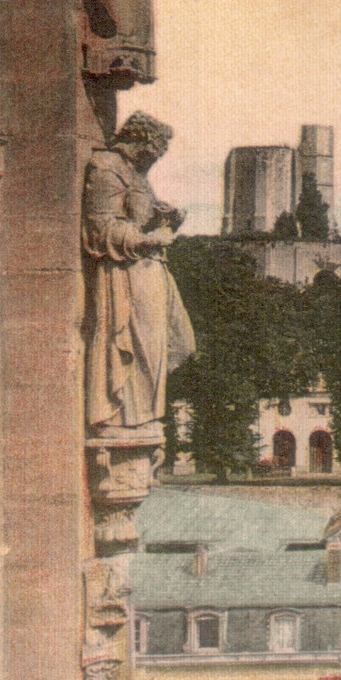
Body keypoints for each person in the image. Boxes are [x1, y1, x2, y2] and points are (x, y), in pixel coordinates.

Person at [83, 111, 195, 437]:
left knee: (176, 343)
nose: (153, 162)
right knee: (139, 347)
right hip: (126, 272)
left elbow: (141, 220)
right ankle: (126, 419)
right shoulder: (105, 168)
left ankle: (145, 417)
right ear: (137, 141)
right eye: (151, 154)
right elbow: (99, 231)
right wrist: (150, 239)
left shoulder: (135, 174)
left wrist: (170, 220)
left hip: (151, 268)